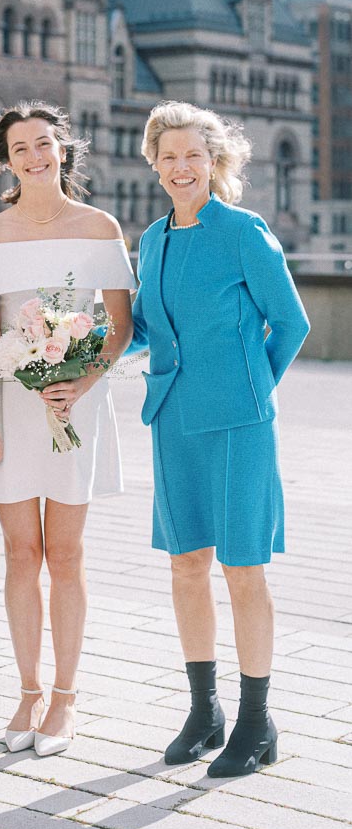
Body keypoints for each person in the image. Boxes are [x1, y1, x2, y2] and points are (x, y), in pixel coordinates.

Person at [131, 101, 309, 777]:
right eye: (168, 156)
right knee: (184, 566)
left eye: (193, 156)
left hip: (238, 423)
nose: (181, 167)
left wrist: (253, 391)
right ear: (154, 163)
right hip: (172, 420)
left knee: (242, 570)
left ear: (215, 162)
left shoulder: (242, 230)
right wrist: (81, 345)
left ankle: (257, 722)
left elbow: (290, 323)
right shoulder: (152, 240)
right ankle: (204, 713)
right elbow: (147, 328)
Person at [0, 103, 134, 757]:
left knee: (64, 555)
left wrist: (82, 380)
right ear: (4, 159)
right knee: (18, 555)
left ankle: (65, 699)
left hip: (76, 405)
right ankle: (28, 691)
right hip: (8, 406)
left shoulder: (99, 228)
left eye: (44, 144)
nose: (34, 156)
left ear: (63, 150)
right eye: (20, 148)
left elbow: (117, 327)